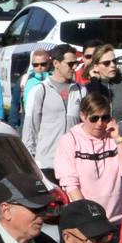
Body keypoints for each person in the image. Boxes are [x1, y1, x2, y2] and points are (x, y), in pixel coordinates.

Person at [54, 92, 122, 239]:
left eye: (105, 118)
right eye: (94, 118)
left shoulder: (116, 137)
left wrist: (119, 139)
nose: (100, 123)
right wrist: (88, 216)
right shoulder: (69, 140)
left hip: (115, 221)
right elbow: (70, 183)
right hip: (86, 223)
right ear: (83, 116)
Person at [23, 44, 84, 184]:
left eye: (76, 63)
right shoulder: (39, 90)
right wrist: (30, 162)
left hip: (73, 164)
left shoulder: (81, 90)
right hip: (46, 164)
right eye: (70, 63)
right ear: (56, 63)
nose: (74, 67)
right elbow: (30, 128)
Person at [84, 45, 122, 121]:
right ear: (96, 67)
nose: (112, 65)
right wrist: (94, 81)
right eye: (106, 63)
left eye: (114, 61)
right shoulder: (88, 87)